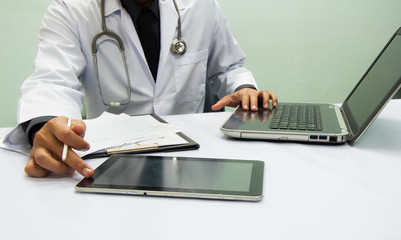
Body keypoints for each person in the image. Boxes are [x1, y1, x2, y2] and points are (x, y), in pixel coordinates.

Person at [6, 0, 277, 178]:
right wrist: (45, 126)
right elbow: (52, 80)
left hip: (193, 157)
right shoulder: (72, 8)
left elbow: (228, 67)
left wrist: (243, 88)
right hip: (111, 162)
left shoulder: (200, 5)